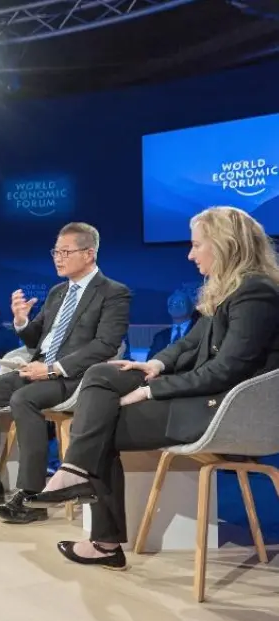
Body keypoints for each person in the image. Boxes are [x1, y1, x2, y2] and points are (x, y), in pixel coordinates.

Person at [25, 207, 279, 568]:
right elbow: (189, 344)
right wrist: (155, 365)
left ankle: (102, 538)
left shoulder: (256, 293)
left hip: (221, 408)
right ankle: (76, 474)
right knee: (101, 374)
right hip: (203, 396)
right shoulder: (230, 289)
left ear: (225, 245)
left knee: (102, 425)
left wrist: (152, 390)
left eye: (196, 245)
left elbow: (225, 372)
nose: (191, 255)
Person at [0, 222, 131, 525]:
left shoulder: (113, 293)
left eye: (65, 252)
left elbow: (106, 345)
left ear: (89, 253)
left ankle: (31, 495)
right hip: (39, 369)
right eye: (55, 252)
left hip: (75, 377)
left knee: (24, 399)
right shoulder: (59, 292)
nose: (57, 258)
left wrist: (52, 369)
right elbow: (37, 339)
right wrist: (21, 321)